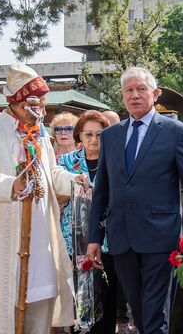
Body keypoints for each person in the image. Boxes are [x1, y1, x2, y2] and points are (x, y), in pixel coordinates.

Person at [86, 66, 183, 334]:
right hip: (122, 236)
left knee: (155, 314)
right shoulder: (111, 136)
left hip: (160, 237)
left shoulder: (174, 131)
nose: (134, 95)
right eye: (128, 90)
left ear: (155, 93)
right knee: (138, 310)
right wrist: (94, 237)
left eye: (141, 89)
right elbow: (102, 190)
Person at [0, 63, 88, 334]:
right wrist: (13, 185)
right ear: (21, 102)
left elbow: (51, 173)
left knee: (40, 305)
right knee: (2, 310)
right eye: (38, 103)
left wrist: (76, 181)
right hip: (2, 241)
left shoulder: (40, 136)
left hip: (41, 239)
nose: (43, 109)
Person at [57, 110, 118, 334]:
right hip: (74, 238)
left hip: (108, 238)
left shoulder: (114, 160)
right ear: (79, 136)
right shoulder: (65, 161)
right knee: (78, 298)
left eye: (100, 135)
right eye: (88, 134)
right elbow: (56, 195)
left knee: (106, 293)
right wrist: (75, 189)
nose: (94, 140)